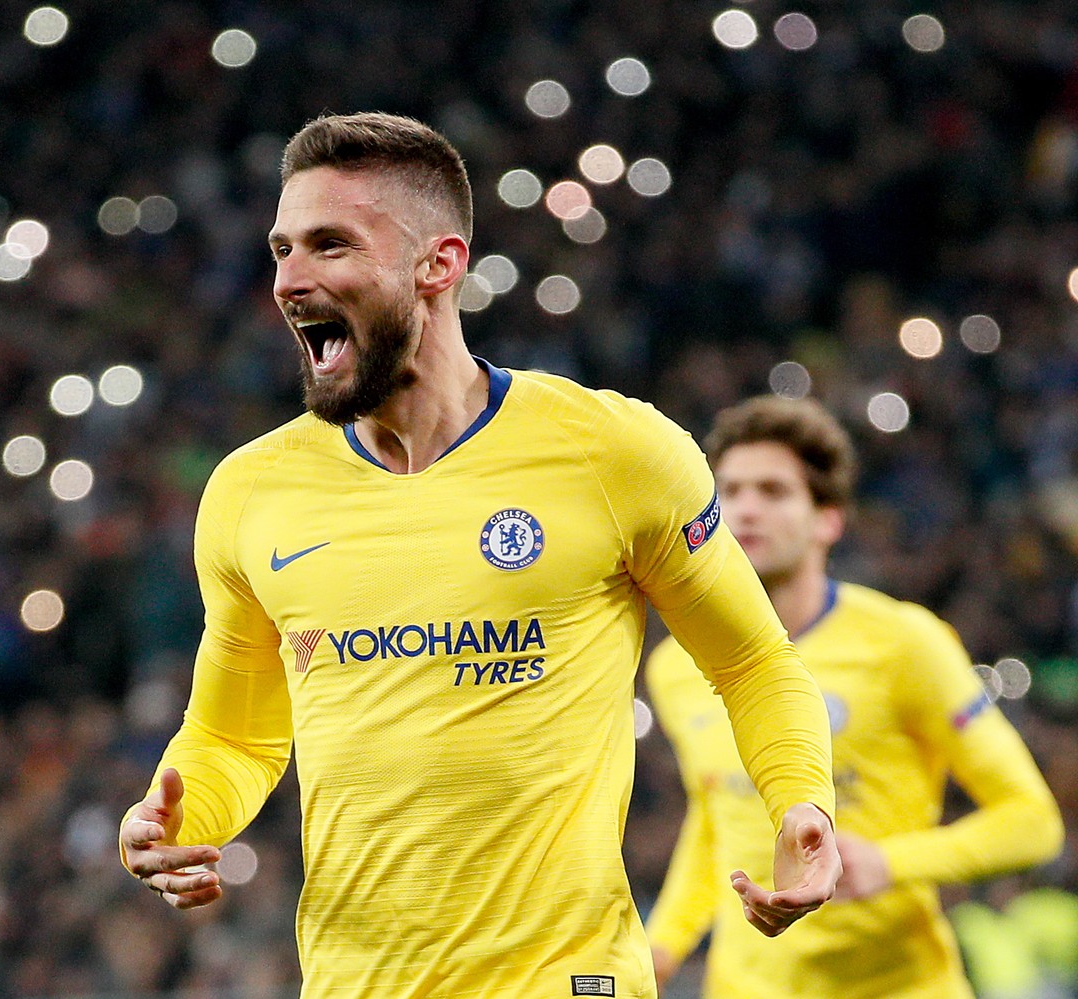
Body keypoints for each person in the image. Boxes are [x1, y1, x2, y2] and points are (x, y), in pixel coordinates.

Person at [119, 112, 843, 999]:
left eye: (330, 245)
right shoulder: (251, 491)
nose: (291, 281)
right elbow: (235, 732)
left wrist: (802, 802)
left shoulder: (613, 453)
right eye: (281, 249)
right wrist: (181, 817)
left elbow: (754, 662)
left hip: (566, 980)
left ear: (439, 263)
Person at [644, 395, 1065, 999]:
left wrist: (891, 864)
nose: (746, 509)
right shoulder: (676, 665)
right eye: (729, 492)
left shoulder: (904, 642)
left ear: (829, 520)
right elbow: (715, 818)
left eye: (773, 490)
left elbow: (1033, 823)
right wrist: (663, 946)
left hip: (898, 984)